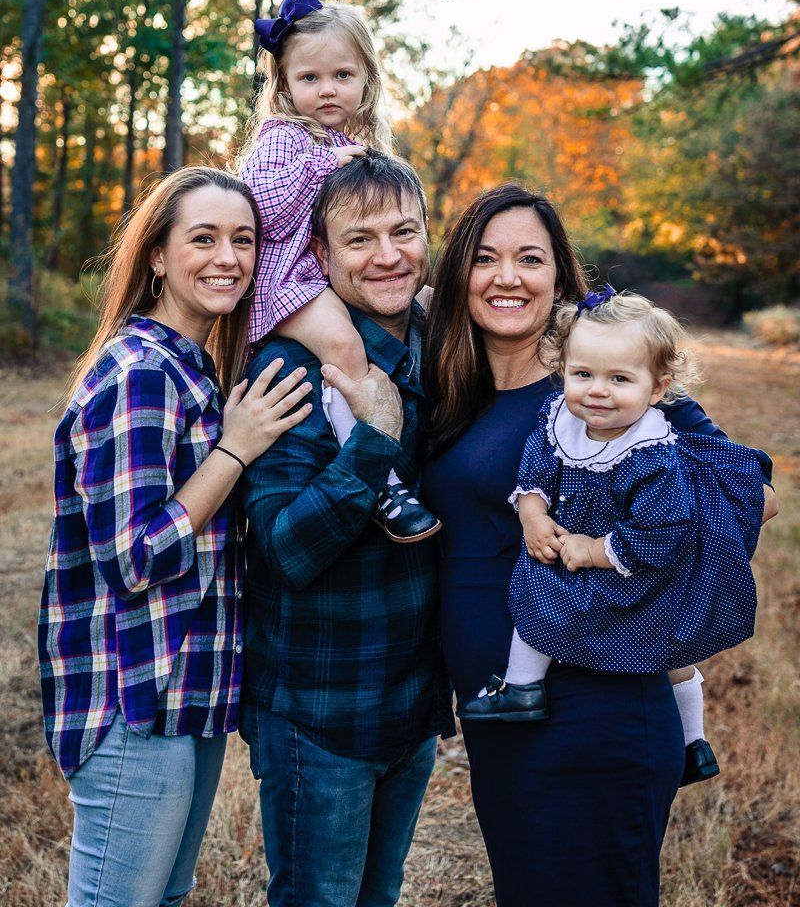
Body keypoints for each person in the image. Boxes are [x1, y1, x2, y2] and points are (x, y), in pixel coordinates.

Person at [423, 183, 775, 907]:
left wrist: (617, 545)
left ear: (560, 275)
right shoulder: (451, 382)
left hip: (597, 703)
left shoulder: (610, 383)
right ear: (459, 272)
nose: (507, 276)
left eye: (530, 257)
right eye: (485, 258)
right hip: (500, 711)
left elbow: (757, 494)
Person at [39, 167, 313, 907]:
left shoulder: (195, 371)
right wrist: (236, 449)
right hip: (136, 696)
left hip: (187, 692)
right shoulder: (141, 374)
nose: (229, 257)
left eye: (244, 240)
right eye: (204, 239)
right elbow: (135, 556)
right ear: (158, 256)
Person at [239, 153, 454, 907]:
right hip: (321, 709)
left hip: (411, 702)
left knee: (379, 897)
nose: (388, 255)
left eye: (405, 232)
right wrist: (374, 438)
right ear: (320, 255)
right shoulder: (289, 367)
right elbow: (285, 548)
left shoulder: (443, 343)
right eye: (360, 239)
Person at [459, 287, 766, 789]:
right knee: (647, 639)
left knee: (555, 601)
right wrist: (533, 515)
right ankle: (685, 744)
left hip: (631, 570)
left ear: (658, 387)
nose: (597, 391)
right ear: (564, 372)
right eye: (583, 375)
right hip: (586, 557)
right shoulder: (560, 421)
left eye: (619, 379)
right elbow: (535, 470)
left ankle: (531, 691)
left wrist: (593, 549)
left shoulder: (652, 455)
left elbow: (662, 533)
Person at [236, 0, 439, 542]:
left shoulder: (352, 139)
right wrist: (323, 163)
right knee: (346, 350)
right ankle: (381, 480)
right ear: (284, 85)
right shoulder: (282, 138)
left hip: (312, 277)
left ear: (366, 79)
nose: (327, 90)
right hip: (283, 281)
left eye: (342, 76)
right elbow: (263, 212)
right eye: (310, 78)